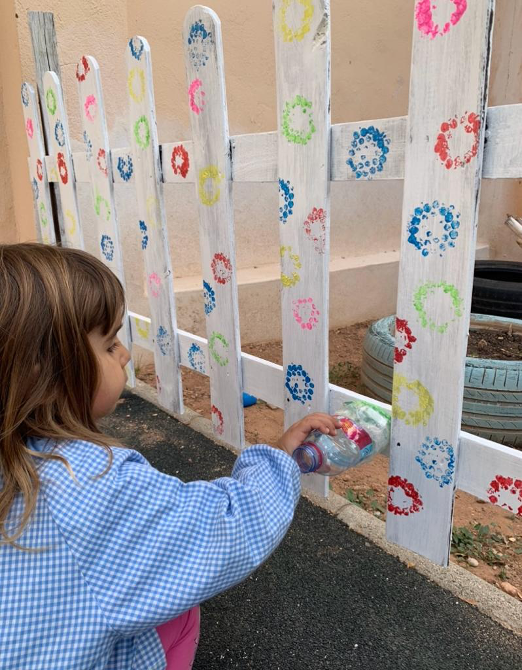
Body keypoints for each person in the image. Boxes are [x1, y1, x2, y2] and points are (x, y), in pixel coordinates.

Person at [0, 243, 341, 670]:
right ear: (43, 372)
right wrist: (279, 459)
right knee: (180, 611)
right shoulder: (90, 483)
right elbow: (227, 527)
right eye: (109, 344)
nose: (125, 353)